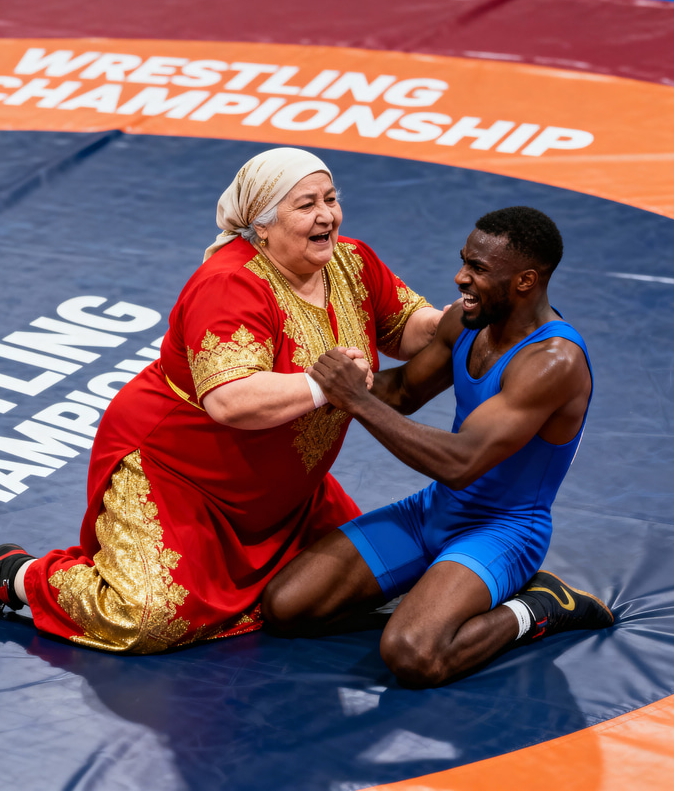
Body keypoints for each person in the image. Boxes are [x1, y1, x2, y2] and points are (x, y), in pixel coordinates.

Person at [0, 147, 444, 654]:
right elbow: (230, 400)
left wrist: (470, 316)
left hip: (283, 492)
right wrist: (328, 386)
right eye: (306, 204)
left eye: (330, 198)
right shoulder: (230, 283)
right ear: (260, 226)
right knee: (145, 619)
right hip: (181, 477)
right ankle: (16, 576)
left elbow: (409, 330)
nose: (327, 215)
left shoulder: (352, 262)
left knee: (346, 588)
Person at [262, 206, 614, 687]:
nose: (460, 277)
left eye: (479, 270)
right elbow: (404, 391)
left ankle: (539, 605)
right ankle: (435, 584)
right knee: (286, 608)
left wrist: (356, 399)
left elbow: (461, 462)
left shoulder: (553, 362)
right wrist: (308, 385)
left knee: (413, 654)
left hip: (504, 531)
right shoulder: (469, 324)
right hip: (434, 512)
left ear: (526, 281)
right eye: (464, 261)